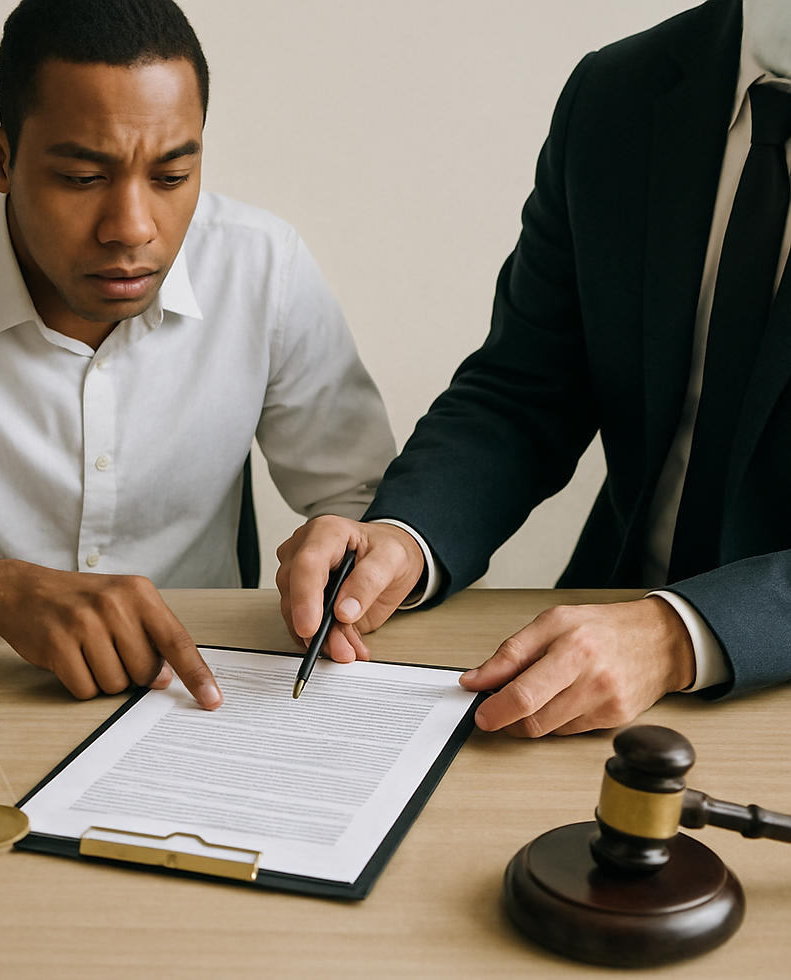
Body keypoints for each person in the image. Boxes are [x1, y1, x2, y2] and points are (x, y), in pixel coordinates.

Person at [0, 0, 395, 706]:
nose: (132, 228)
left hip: (206, 705)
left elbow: (364, 507)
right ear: (1, 158)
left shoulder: (262, 267)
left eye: (172, 176)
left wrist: (348, 550)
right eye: (83, 179)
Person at [277, 0, 791, 737]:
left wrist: (681, 635)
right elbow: (525, 389)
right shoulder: (616, 92)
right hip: (589, 647)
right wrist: (407, 534)